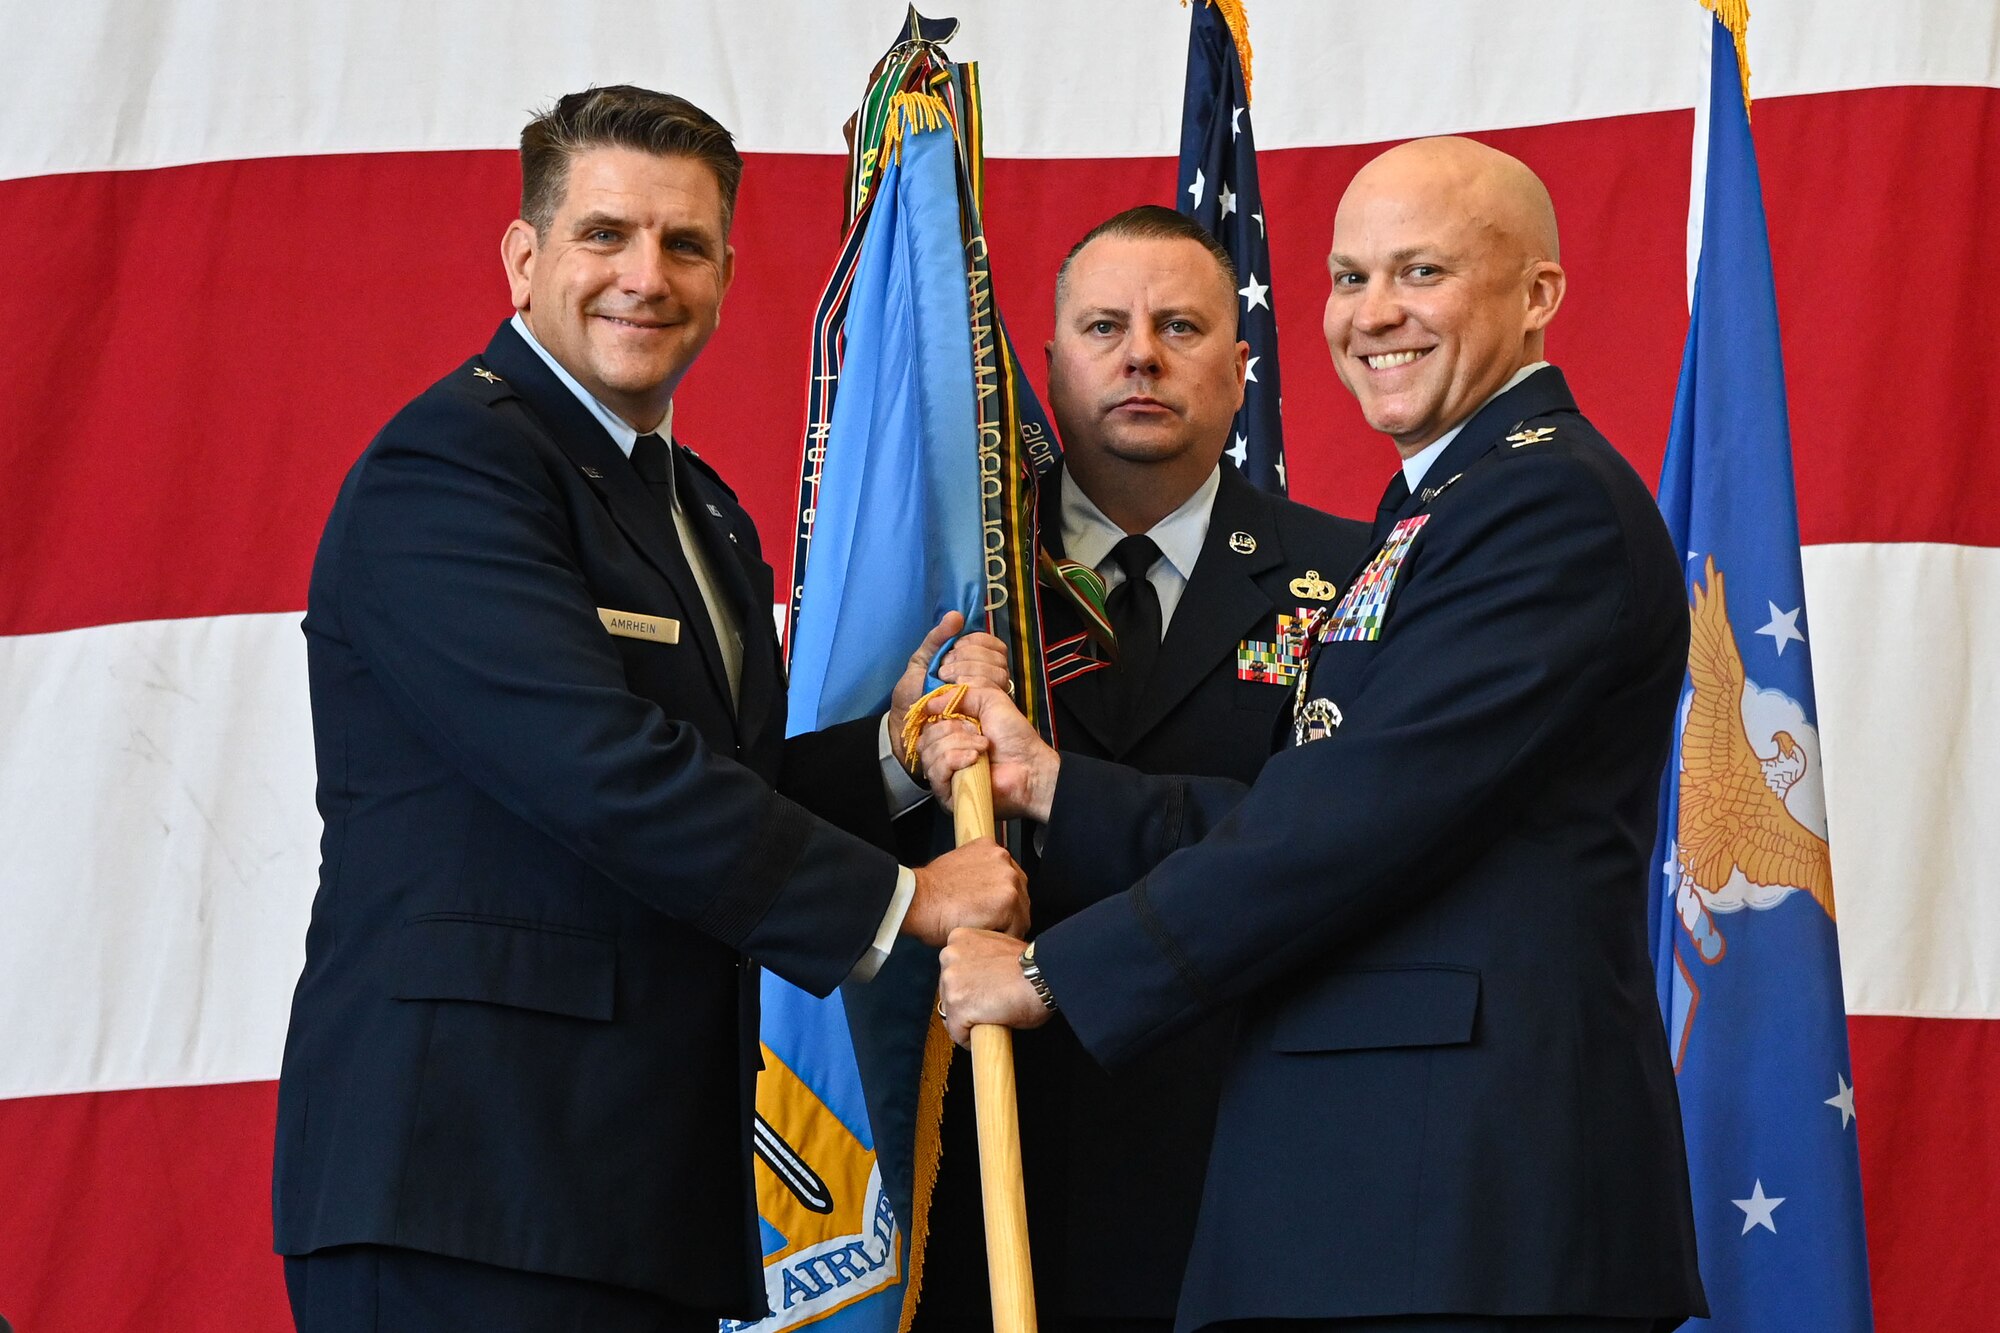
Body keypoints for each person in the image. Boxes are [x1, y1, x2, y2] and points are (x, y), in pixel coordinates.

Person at [271, 85, 1029, 1333]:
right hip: (465, 1185)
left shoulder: (704, 512)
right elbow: (598, 770)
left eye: (684, 245)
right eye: (604, 235)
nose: (645, 276)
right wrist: (907, 901)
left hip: (633, 1196)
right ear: (524, 259)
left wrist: (895, 754)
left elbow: (716, 772)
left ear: (727, 273)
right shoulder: (450, 468)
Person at [921, 137, 1708, 1333]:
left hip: (1458, 1213)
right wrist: (1046, 782)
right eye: (1348, 278)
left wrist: (1050, 976)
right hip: (1386, 1208)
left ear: (1536, 294)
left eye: (1421, 272)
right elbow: (1318, 802)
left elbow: (1350, 824)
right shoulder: (1445, 507)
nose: (1373, 313)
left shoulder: (1543, 506)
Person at [915, 207, 1367, 1333]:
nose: (1140, 356)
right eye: (1103, 326)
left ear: (1239, 366)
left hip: (1234, 1143)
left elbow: (1338, 842)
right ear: (1053, 359)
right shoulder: (953, 581)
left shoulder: (1349, 577)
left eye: (1179, 326)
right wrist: (905, 743)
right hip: (975, 1136)